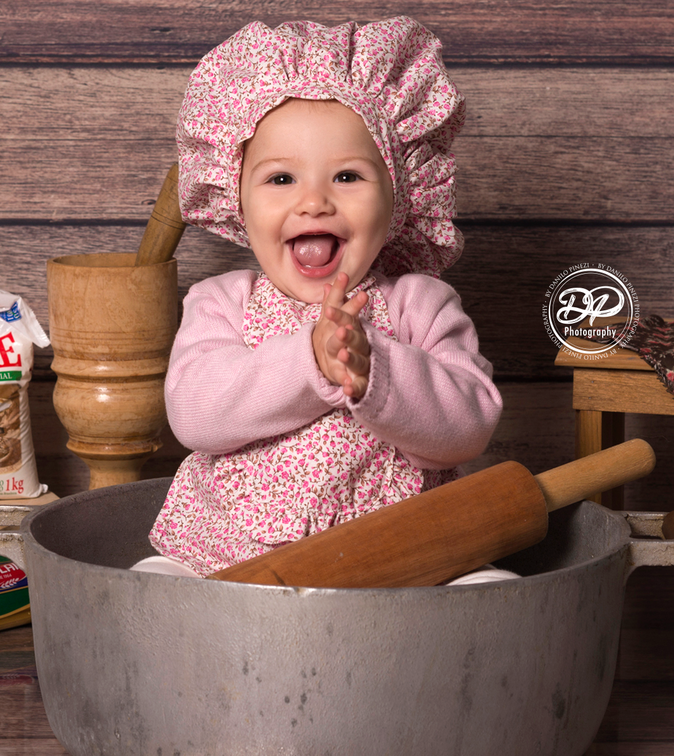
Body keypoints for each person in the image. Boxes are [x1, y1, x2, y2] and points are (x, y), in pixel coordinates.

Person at [137, 17, 505, 579]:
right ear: (236, 198)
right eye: (281, 179)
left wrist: (374, 366)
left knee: (492, 587)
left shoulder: (420, 304)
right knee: (152, 582)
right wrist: (311, 361)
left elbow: (470, 426)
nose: (314, 203)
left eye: (348, 177)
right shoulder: (221, 302)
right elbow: (194, 415)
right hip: (236, 561)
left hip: (400, 561)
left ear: (400, 194)